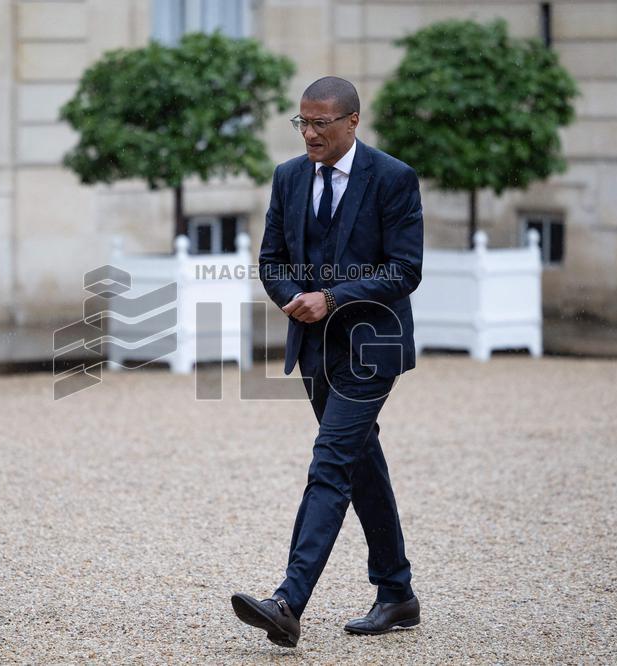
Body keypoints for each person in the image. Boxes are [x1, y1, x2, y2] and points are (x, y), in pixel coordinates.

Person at [230, 76, 424, 648]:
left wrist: (334, 297)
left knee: (331, 463)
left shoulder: (392, 178)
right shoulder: (289, 177)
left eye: (321, 124)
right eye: (303, 123)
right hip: (313, 347)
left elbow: (404, 270)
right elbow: (271, 258)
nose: (310, 134)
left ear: (352, 122)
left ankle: (289, 602)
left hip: (373, 346)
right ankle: (397, 594)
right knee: (361, 464)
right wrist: (291, 294)